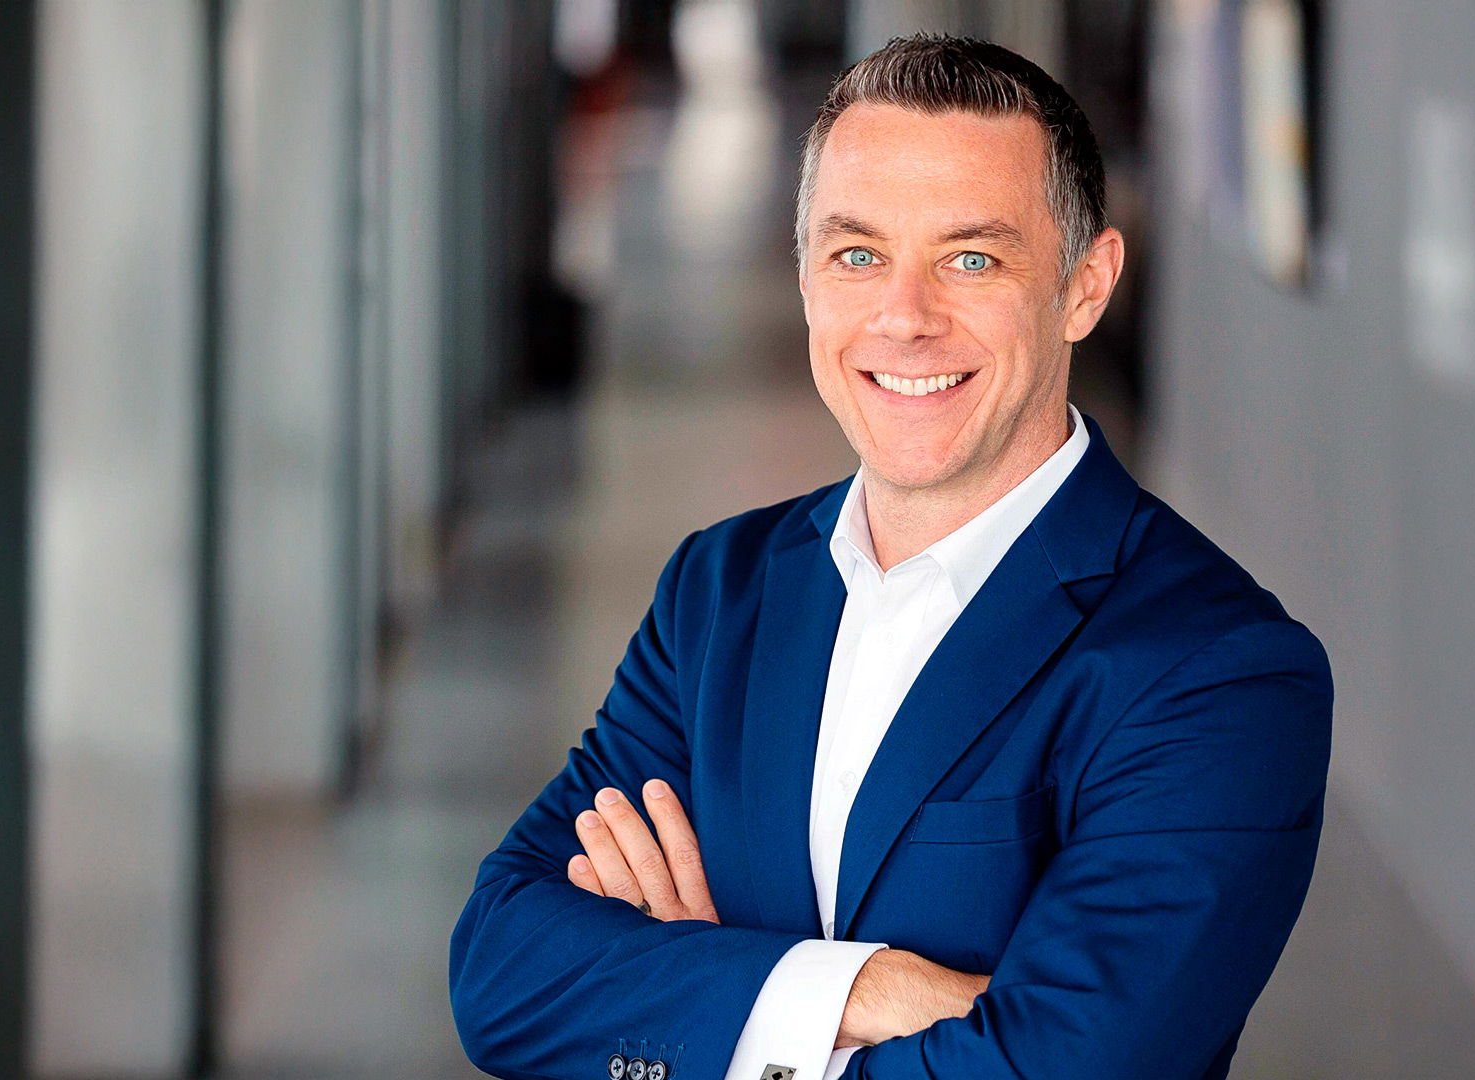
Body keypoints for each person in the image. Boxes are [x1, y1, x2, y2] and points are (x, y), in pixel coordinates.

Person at [449, 34, 1331, 1080]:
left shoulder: (1217, 669)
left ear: (1085, 286)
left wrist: (710, 991)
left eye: (972, 258)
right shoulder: (721, 591)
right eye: (857, 255)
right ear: (807, 279)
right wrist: (869, 990)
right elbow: (503, 969)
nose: (905, 318)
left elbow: (1068, 1068)